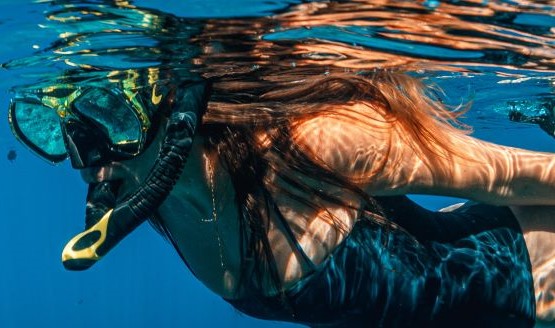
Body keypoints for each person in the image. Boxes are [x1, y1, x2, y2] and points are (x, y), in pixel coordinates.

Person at [9, 67, 555, 327]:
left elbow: (526, 176)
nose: (91, 162)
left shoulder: (312, 145)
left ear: (169, 106)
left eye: (109, 115)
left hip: (537, 267)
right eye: (59, 134)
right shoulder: (164, 201)